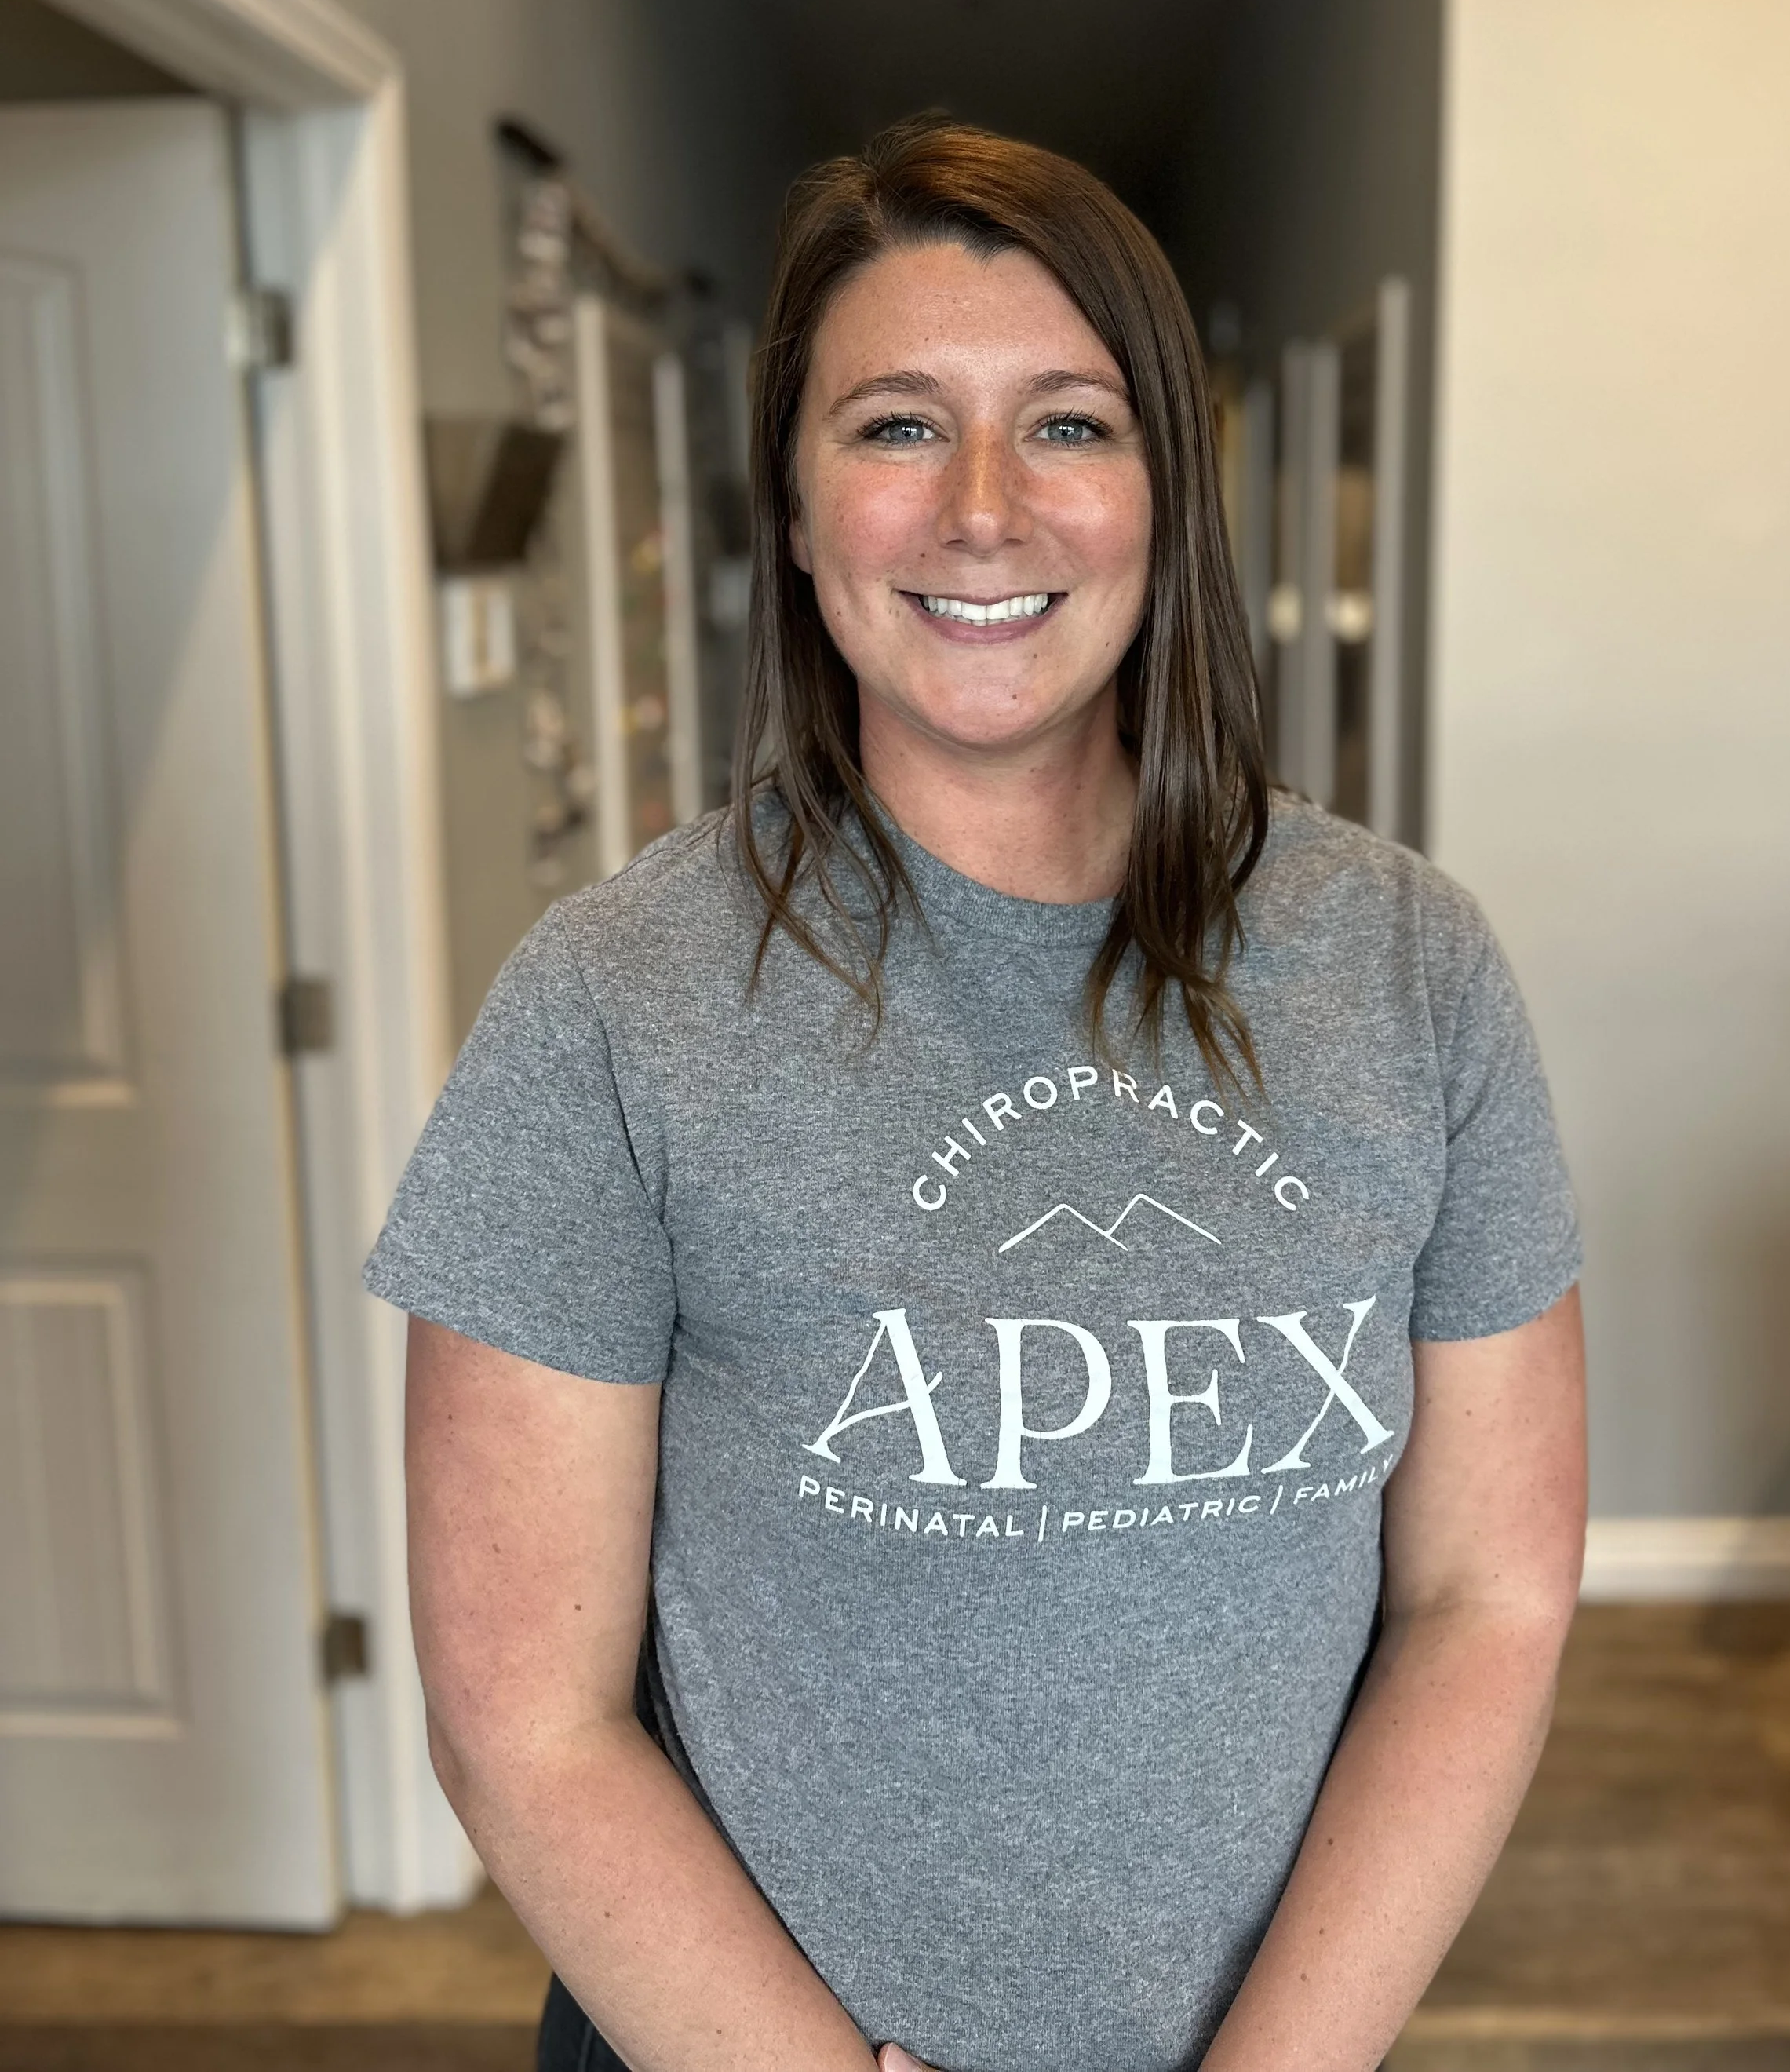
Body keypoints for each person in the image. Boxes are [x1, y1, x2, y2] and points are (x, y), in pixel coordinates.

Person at [366, 117, 1587, 2072]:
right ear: (791, 500)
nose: (985, 512)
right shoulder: (614, 1004)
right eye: (897, 426)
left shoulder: (1404, 967)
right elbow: (521, 1718)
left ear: (1167, 493)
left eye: (1071, 425)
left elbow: (1486, 1591)